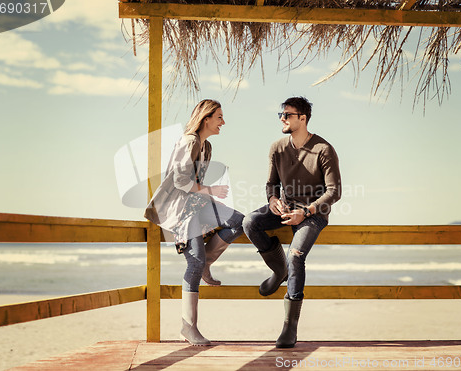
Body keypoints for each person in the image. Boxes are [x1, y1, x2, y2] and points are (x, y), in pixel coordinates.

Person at [242, 96, 341, 348]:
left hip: (313, 214)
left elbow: (334, 191)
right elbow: (270, 183)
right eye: (281, 115)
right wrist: (273, 198)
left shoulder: (324, 149)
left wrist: (306, 212)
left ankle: (289, 327)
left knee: (295, 254)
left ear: (303, 118)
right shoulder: (277, 147)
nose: (282, 119)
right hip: (284, 209)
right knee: (250, 221)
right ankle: (279, 270)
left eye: (287, 115)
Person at [144, 99, 244, 346]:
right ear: (206, 118)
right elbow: (180, 182)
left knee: (238, 221)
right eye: (219, 117)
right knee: (194, 261)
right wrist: (211, 190)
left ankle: (208, 262)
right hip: (180, 208)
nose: (223, 122)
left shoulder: (206, 146)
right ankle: (188, 328)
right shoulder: (189, 141)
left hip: (196, 203)